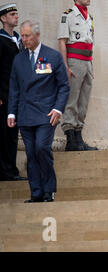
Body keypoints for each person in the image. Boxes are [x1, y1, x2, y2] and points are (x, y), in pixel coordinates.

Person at [7, 21, 70, 202]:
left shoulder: (53, 56)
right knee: (31, 153)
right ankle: (36, 193)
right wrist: (11, 113)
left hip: (46, 114)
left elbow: (64, 86)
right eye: (23, 36)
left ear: (37, 35)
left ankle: (49, 189)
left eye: (27, 36)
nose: (24, 39)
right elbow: (14, 88)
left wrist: (58, 109)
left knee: (42, 148)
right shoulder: (19, 59)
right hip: (25, 114)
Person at [57, 0, 98, 151]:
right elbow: (62, 41)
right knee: (72, 99)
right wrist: (65, 66)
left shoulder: (89, 16)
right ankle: (70, 138)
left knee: (84, 100)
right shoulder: (68, 15)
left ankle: (79, 136)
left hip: (87, 62)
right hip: (74, 60)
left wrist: (90, 64)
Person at [0, 3, 27, 181]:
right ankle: (4, 171)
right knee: (4, 133)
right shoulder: (1, 39)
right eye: (12, 14)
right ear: (3, 18)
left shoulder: (18, 39)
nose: (16, 17)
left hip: (16, 95)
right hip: (4, 94)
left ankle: (11, 169)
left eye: (17, 14)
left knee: (12, 134)